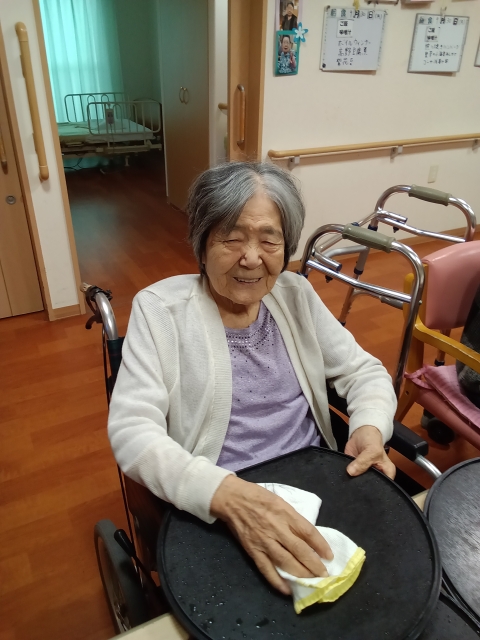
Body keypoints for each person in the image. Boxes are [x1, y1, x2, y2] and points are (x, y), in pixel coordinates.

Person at [108, 162, 397, 595]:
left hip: (315, 485)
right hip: (219, 501)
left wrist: (369, 428)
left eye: (269, 239)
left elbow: (363, 371)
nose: (251, 257)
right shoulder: (161, 311)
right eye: (232, 237)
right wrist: (226, 495)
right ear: (202, 243)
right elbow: (132, 429)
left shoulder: (295, 295)